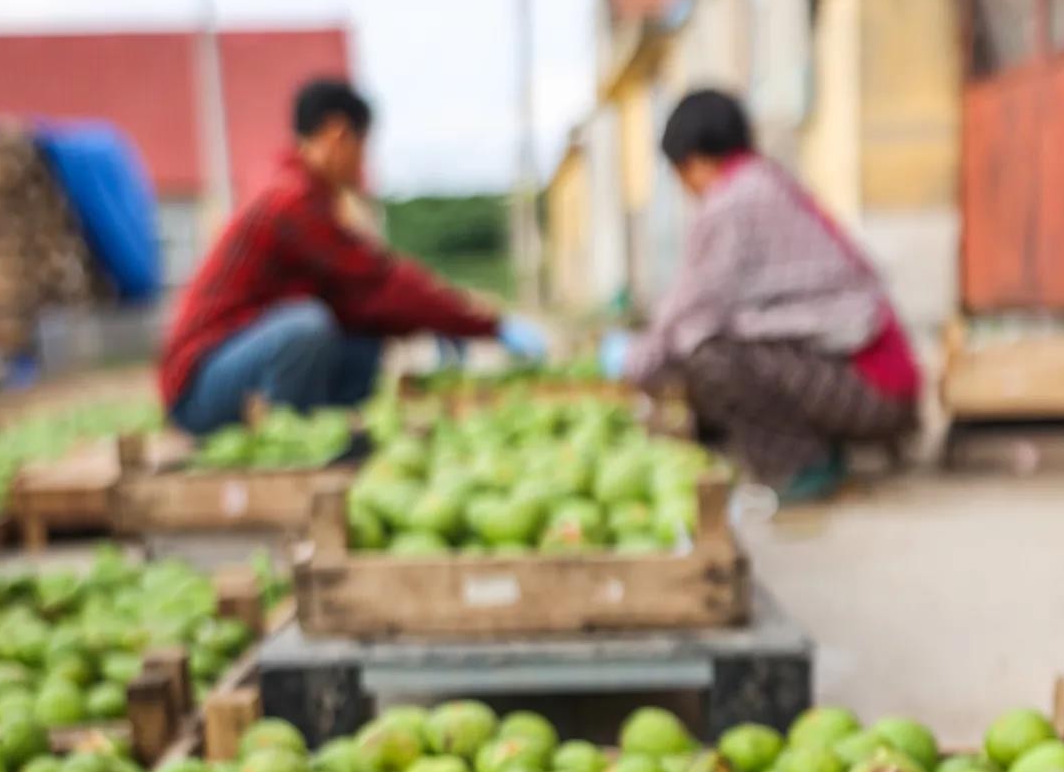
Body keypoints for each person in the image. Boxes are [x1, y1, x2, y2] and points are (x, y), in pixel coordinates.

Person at [160, 78, 545, 433]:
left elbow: (364, 299)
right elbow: (380, 281)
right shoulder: (289, 202)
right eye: (361, 147)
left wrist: (441, 321)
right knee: (308, 326)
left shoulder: (303, 196)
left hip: (229, 367)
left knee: (360, 337)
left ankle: (327, 431)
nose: (362, 162)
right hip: (197, 390)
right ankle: (285, 443)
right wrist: (487, 325)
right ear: (338, 134)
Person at [603, 90, 919, 501]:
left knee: (708, 355)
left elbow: (691, 309)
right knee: (711, 344)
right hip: (879, 384)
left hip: (873, 390)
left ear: (695, 161)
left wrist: (629, 363)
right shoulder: (764, 180)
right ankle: (816, 452)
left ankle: (804, 467)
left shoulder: (731, 203)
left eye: (681, 174)